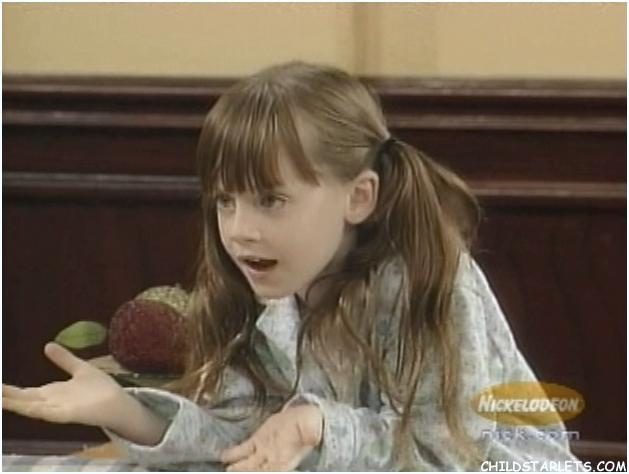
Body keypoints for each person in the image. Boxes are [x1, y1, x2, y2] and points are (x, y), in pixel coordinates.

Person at [3, 61, 583, 471]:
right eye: (225, 201)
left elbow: (454, 452)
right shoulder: (272, 293)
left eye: (271, 200)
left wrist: (317, 424)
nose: (239, 229)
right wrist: (125, 411)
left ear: (359, 197)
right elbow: (242, 436)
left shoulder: (428, 280)